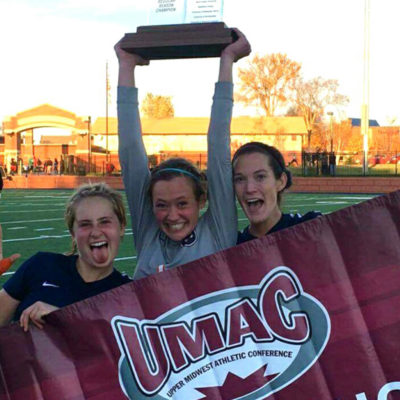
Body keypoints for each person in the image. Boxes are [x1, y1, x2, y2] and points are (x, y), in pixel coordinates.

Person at [115, 29, 251, 279]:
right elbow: (130, 152)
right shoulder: (149, 232)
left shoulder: (218, 231)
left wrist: (227, 60)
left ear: (201, 201)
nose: (172, 215)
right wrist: (126, 65)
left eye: (182, 203)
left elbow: (218, 143)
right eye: (161, 205)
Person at [0, 182, 132, 331]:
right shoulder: (41, 265)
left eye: (105, 222)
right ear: (72, 233)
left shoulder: (129, 293)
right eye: (85, 224)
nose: (95, 232)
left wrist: (62, 318)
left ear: (121, 227)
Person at [232, 142, 321, 244]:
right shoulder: (232, 246)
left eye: (260, 177)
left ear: (281, 182)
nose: (249, 188)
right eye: (240, 179)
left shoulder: (311, 227)